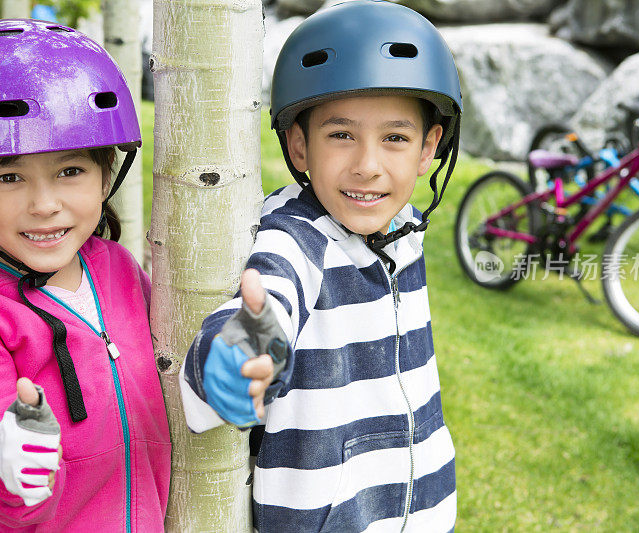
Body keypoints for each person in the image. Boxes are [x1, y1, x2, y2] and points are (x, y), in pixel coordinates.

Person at [179, 1, 463, 531]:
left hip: (421, 510)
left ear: (429, 148)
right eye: (341, 135)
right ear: (298, 145)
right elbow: (267, 299)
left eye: (395, 138)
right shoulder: (296, 239)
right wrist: (241, 353)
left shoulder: (405, 229)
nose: (368, 165)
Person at [0, 19, 170, 531]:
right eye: (9, 177)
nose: (44, 205)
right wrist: (11, 462)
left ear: (106, 173)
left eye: (70, 171)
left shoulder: (114, 268)